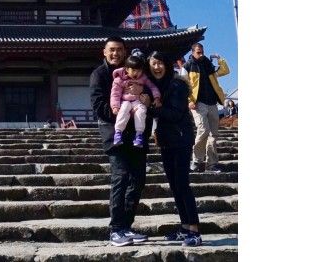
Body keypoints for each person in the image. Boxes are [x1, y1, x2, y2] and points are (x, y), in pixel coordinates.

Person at [90, 36, 152, 247]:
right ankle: (116, 229)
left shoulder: (136, 72)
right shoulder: (99, 75)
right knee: (121, 177)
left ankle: (126, 225)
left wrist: (144, 97)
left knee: (138, 180)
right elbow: (99, 106)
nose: (115, 53)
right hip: (114, 133)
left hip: (136, 134)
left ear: (125, 52)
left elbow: (149, 96)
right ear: (104, 52)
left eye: (119, 50)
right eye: (111, 50)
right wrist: (123, 114)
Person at [147, 51, 203, 247]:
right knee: (174, 185)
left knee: (182, 184)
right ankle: (185, 226)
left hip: (180, 139)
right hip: (167, 141)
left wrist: (152, 108)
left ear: (168, 65)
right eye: (153, 63)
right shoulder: (156, 86)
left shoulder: (176, 84)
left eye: (160, 63)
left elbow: (175, 113)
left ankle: (195, 230)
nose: (157, 67)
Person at [185, 43, 230, 173]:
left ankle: (212, 164)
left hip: (212, 102)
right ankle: (196, 160)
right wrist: (189, 100)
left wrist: (219, 58)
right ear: (192, 52)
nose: (201, 54)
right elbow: (183, 84)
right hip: (198, 103)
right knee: (203, 129)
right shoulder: (187, 66)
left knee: (213, 134)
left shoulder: (209, 65)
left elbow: (225, 71)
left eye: (202, 52)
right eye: (198, 52)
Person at [110, 55, 162, 147]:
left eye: (139, 70)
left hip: (138, 101)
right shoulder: (119, 80)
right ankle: (118, 132)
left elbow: (153, 87)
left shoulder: (143, 78)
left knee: (141, 111)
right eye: (133, 70)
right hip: (125, 100)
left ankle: (139, 134)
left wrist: (157, 98)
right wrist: (115, 106)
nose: (137, 73)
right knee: (124, 109)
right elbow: (115, 94)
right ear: (127, 69)